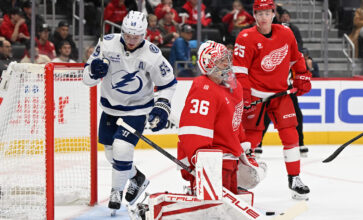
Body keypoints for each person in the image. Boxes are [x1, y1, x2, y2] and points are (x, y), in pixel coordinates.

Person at [82, 11, 177, 212]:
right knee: (111, 155)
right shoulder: (107, 43)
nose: (131, 40)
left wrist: (162, 105)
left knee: (122, 149)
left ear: (145, 34)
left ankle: (116, 191)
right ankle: (136, 177)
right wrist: (93, 71)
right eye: (127, 35)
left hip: (136, 110)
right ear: (122, 30)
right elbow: (87, 79)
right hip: (110, 108)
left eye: (136, 36)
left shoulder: (152, 54)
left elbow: (169, 84)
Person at [232, 0, 311, 200]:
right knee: (251, 140)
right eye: (259, 13)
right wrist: (245, 94)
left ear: (273, 14)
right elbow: (240, 70)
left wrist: (302, 75)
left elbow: (296, 58)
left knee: (291, 135)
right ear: (254, 15)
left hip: (280, 94)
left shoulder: (286, 33)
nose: (263, 17)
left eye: (267, 13)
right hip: (257, 96)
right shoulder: (245, 37)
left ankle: (295, 178)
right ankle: (235, 180)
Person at [177, 40, 266, 194]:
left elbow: (235, 123)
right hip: (214, 162)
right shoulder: (203, 87)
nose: (227, 63)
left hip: (230, 160)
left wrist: (245, 148)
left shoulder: (233, 86)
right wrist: (201, 162)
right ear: (208, 65)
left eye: (226, 58)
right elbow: (194, 132)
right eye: (220, 60)